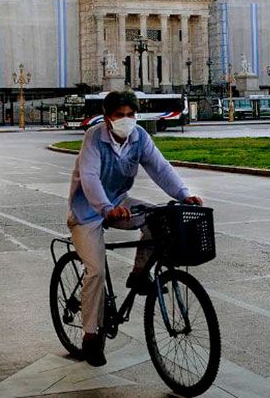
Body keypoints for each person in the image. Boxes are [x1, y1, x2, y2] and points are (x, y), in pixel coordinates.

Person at [66, 90, 203, 367]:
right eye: (119, 116)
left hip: (119, 202)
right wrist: (105, 208)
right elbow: (90, 177)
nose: (126, 120)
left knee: (157, 220)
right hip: (88, 211)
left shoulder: (139, 137)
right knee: (96, 270)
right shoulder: (94, 137)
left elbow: (160, 168)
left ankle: (139, 275)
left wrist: (184, 194)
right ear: (107, 118)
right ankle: (90, 336)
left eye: (130, 115)